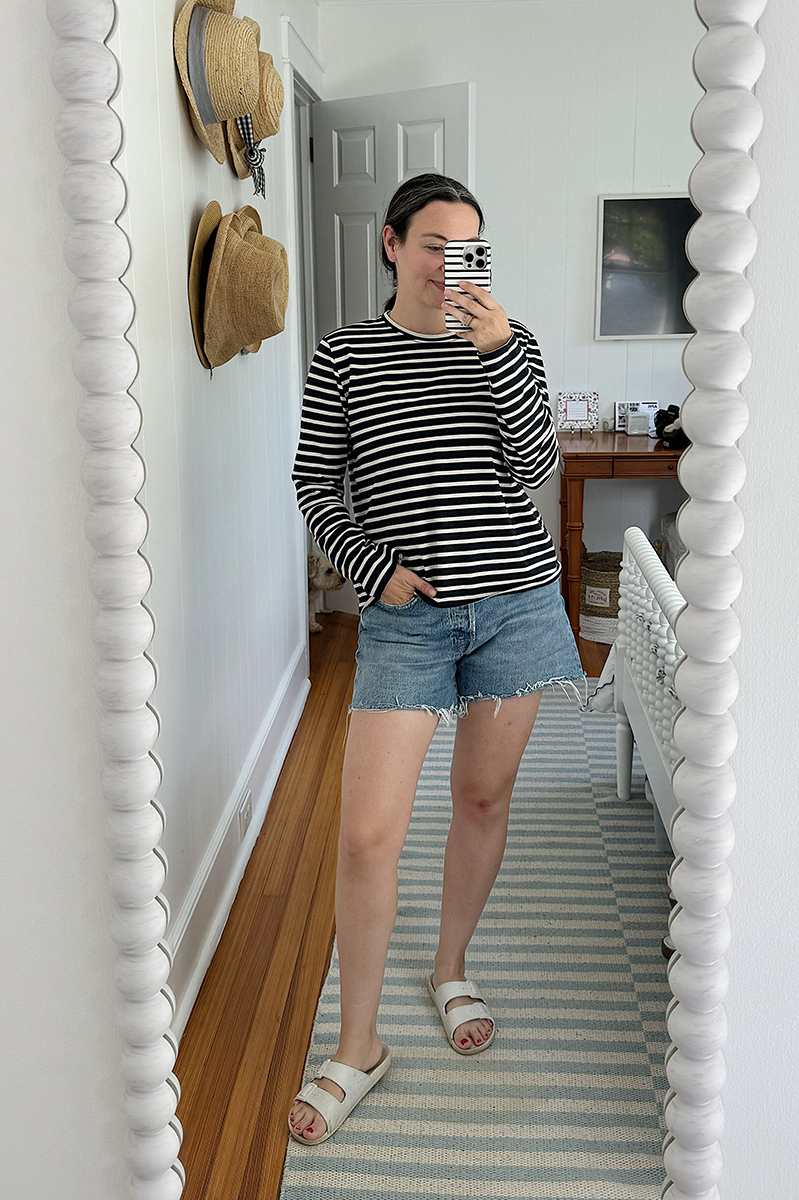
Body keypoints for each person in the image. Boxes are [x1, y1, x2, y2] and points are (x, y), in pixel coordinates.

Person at [288, 173, 587, 1144]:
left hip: (515, 606)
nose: (448, 264)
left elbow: (537, 467)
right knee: (369, 832)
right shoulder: (343, 357)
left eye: (466, 247)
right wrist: (371, 570)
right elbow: (313, 484)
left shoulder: (513, 344)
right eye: (430, 244)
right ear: (390, 244)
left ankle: (450, 963)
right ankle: (358, 1043)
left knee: (482, 800)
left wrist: (497, 354)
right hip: (406, 620)